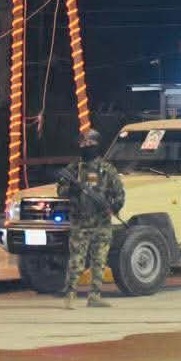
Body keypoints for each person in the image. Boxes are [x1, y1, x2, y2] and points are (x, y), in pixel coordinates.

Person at [58, 128, 125, 309]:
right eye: (84, 143)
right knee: (76, 261)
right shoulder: (74, 169)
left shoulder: (107, 169)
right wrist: (72, 190)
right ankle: (70, 294)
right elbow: (60, 190)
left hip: (102, 222)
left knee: (99, 261)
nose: (87, 146)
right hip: (80, 222)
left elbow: (119, 194)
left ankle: (95, 296)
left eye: (91, 142)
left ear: (97, 144)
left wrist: (113, 206)